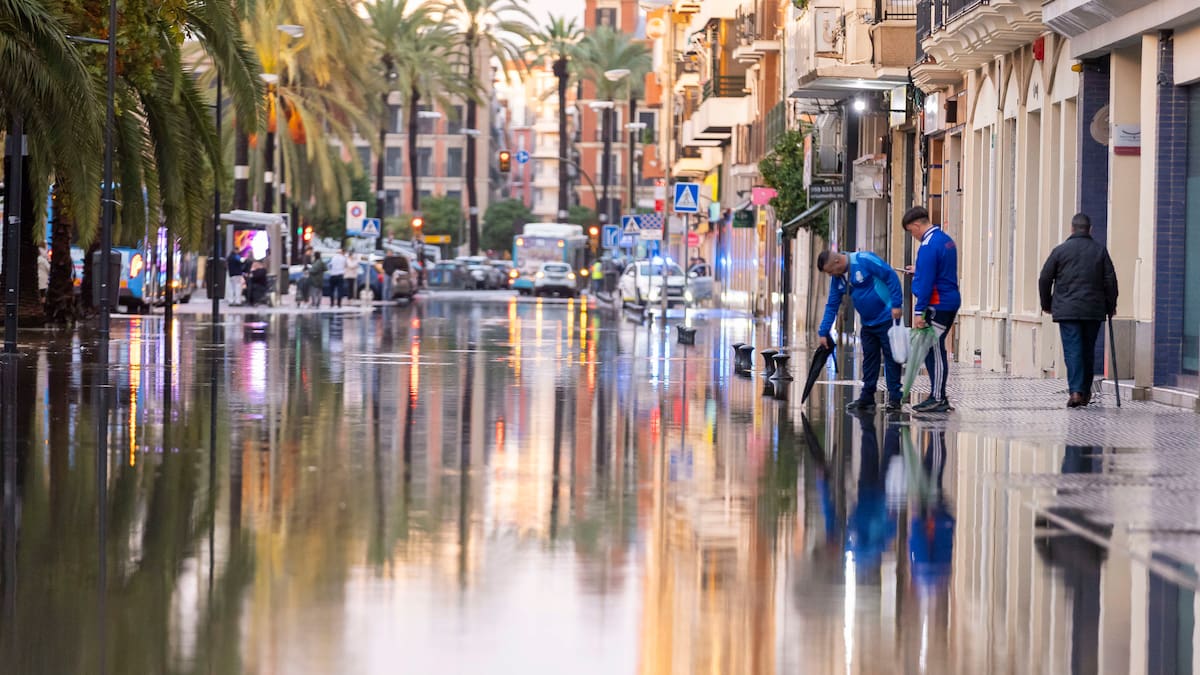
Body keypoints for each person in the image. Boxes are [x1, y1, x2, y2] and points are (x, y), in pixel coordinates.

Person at [1038, 213, 1118, 408]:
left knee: (1073, 350)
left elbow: (1044, 278)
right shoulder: (1100, 251)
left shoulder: (1060, 251)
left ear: (1072, 229)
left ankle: (1076, 391)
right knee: (1087, 350)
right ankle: (1084, 391)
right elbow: (1110, 281)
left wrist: (1047, 304)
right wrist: (1111, 306)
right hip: (1093, 310)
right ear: (1090, 230)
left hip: (1067, 310)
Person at [816, 249, 905, 411]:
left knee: (891, 358)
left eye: (830, 271)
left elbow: (890, 276)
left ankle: (894, 398)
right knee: (870, 359)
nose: (830, 275)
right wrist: (823, 331)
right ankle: (867, 397)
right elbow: (832, 305)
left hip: (887, 317)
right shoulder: (838, 279)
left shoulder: (864, 260)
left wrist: (897, 304)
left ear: (836, 262)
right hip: (868, 323)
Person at [901, 206, 961, 413]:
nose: (913, 235)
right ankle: (937, 395)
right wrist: (920, 270)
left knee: (933, 349)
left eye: (911, 231)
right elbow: (940, 269)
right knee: (934, 348)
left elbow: (926, 283)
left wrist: (919, 311)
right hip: (948, 299)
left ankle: (938, 397)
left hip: (938, 302)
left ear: (917, 225)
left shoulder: (927, 246)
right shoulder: (945, 240)